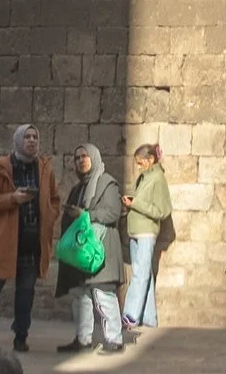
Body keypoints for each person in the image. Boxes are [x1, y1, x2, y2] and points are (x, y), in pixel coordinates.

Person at [0, 123, 60, 352]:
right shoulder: (2, 168)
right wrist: (13, 199)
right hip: (5, 242)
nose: (32, 141)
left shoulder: (45, 168)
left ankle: (21, 337)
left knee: (26, 293)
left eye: (35, 136)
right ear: (18, 141)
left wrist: (50, 216)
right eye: (27, 137)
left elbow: (55, 198)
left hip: (31, 243)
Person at [59, 138, 126, 355]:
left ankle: (114, 340)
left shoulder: (107, 183)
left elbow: (112, 212)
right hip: (83, 250)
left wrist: (85, 215)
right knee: (81, 296)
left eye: (84, 156)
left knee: (103, 293)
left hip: (102, 247)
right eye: (77, 158)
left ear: (94, 158)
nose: (80, 161)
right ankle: (83, 339)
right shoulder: (79, 188)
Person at [124, 140, 175, 332]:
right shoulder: (144, 178)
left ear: (151, 159)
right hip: (135, 230)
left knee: (139, 274)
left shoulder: (158, 178)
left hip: (146, 232)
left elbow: (163, 210)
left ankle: (130, 316)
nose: (138, 166)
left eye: (140, 162)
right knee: (145, 273)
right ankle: (149, 317)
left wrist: (135, 204)